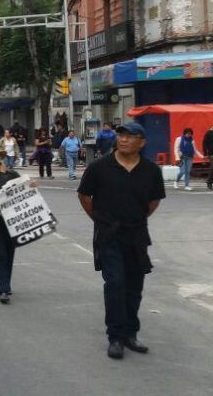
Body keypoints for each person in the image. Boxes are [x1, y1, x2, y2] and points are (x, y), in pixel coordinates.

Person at [77, 122, 165, 360]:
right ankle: (115, 337)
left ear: (142, 142)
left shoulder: (151, 171)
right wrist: (100, 220)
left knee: (134, 286)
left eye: (129, 136)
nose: (123, 139)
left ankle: (130, 334)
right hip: (109, 235)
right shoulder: (99, 167)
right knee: (115, 284)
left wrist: (136, 218)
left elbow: (154, 202)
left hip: (136, 235)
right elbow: (84, 195)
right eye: (120, 135)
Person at [0, 145, 37, 304]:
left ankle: (6, 285)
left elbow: (23, 188)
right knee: (1, 253)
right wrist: (5, 173)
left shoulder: (11, 174)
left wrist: (31, 185)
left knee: (9, 253)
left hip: (12, 221)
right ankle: (3, 290)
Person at [203, 125, 213, 190]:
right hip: (211, 153)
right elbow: (204, 143)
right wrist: (205, 153)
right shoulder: (208, 133)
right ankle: (209, 181)